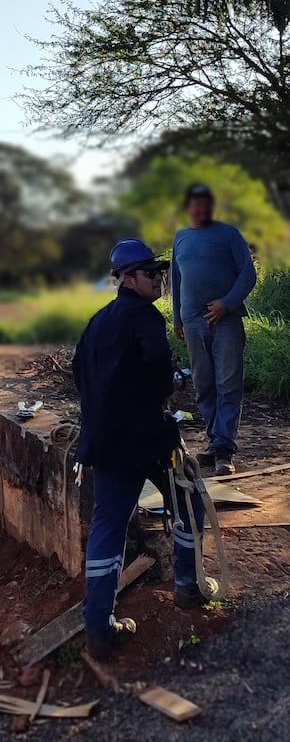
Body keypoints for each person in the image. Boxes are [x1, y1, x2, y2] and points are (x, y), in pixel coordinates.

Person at [73, 239, 216, 661]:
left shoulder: (98, 322)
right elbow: (158, 373)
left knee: (108, 528)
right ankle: (189, 588)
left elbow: (80, 372)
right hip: (147, 441)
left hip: (104, 443)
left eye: (160, 272)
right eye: (151, 273)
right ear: (128, 279)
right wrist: (164, 391)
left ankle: (98, 627)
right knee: (189, 502)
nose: (159, 279)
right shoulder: (146, 319)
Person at [171, 181, 256, 478]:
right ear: (188, 207)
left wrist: (227, 304)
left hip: (225, 319)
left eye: (206, 203)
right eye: (195, 203)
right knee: (203, 383)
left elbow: (248, 274)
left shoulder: (229, 234)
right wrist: (177, 319)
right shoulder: (181, 237)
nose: (201, 208)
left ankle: (224, 451)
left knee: (228, 383)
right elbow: (177, 281)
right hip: (193, 322)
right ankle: (213, 439)